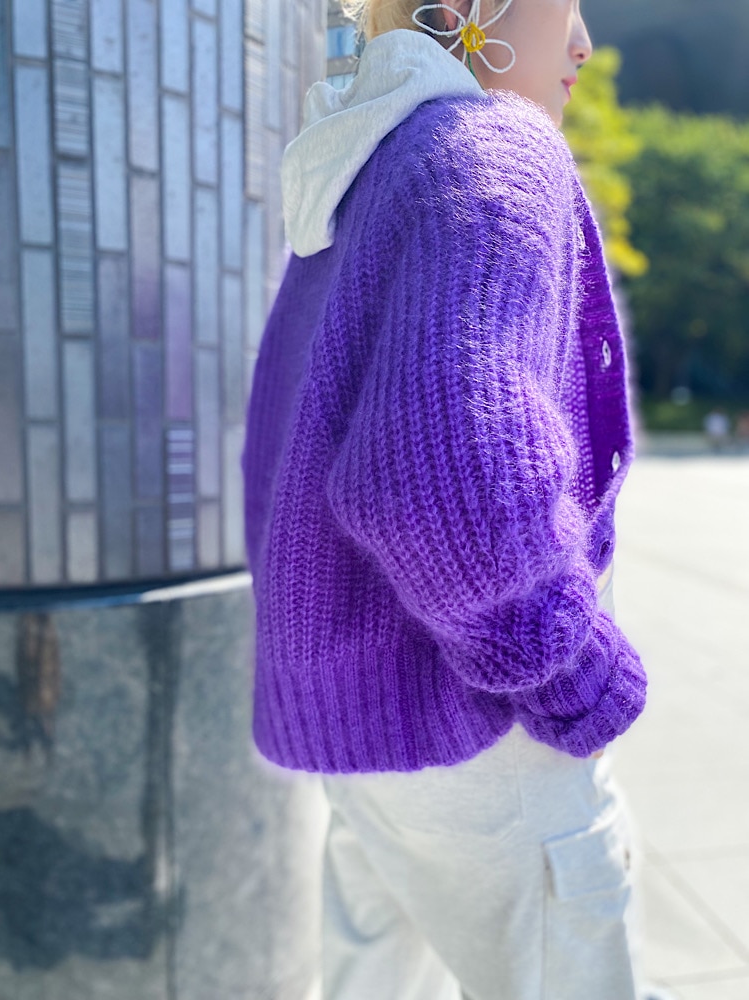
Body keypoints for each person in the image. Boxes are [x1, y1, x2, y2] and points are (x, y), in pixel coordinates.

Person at [242, 1, 652, 997]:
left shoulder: (356, 170)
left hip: (361, 741)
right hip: (477, 728)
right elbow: (445, 488)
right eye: (568, 4)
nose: (585, 43)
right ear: (471, 9)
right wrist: (570, 665)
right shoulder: (494, 150)